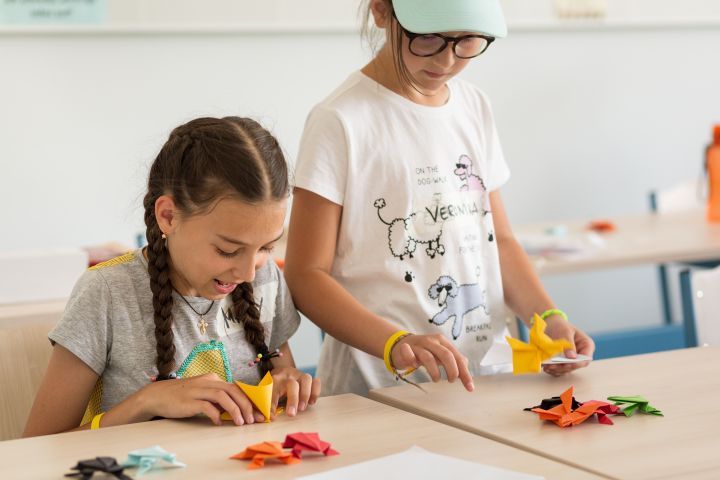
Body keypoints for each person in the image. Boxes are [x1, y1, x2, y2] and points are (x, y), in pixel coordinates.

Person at [284, 0, 595, 396]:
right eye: (429, 38)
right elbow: (305, 275)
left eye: (466, 41)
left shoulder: (473, 106)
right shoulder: (341, 120)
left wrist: (548, 316)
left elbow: (498, 241)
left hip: (485, 379)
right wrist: (395, 343)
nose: (447, 59)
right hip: (380, 388)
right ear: (381, 11)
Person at [24, 117, 319, 437]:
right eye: (227, 250)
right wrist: (145, 402)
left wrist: (289, 381)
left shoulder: (265, 279)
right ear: (168, 216)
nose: (248, 272)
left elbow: (280, 371)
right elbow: (38, 446)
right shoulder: (107, 293)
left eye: (266, 246)